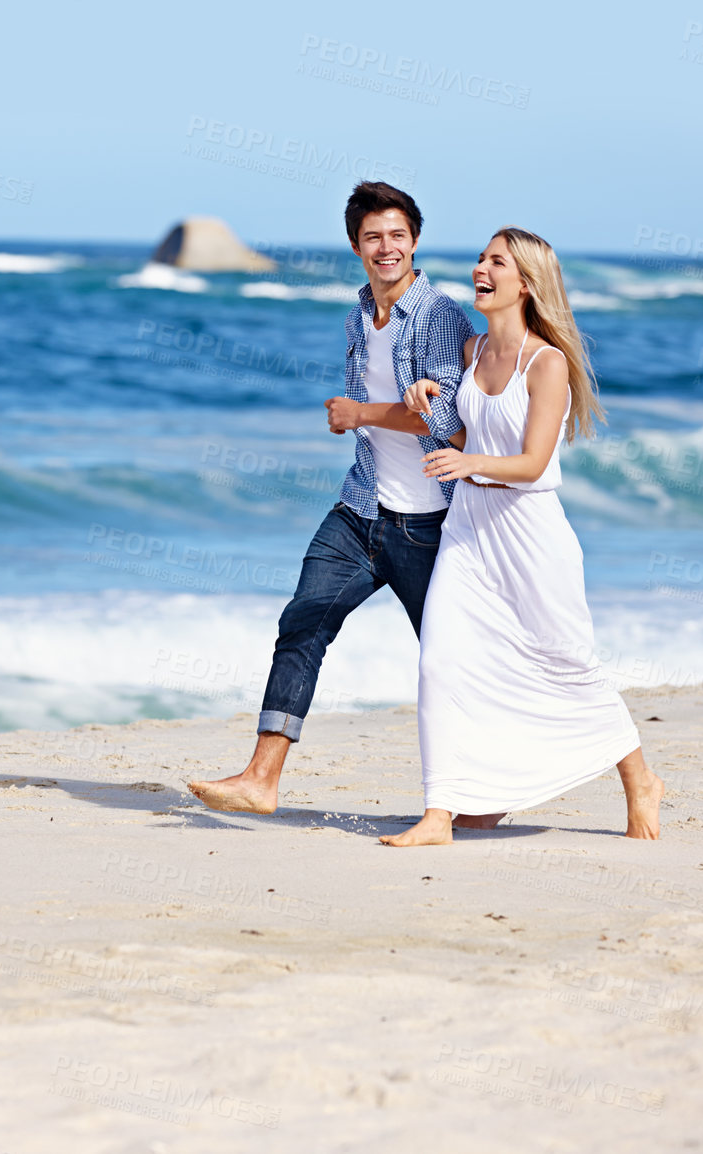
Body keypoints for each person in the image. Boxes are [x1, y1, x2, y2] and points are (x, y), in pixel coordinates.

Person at [188, 182, 474, 815]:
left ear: (416, 241)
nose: (387, 247)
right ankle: (262, 777)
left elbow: (451, 425)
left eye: (398, 235)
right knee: (303, 622)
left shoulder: (439, 317)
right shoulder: (356, 316)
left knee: (452, 661)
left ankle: (485, 792)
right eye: (374, 237)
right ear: (355, 246)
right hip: (361, 507)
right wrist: (363, 420)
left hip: (428, 523)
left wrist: (358, 413)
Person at [378, 227, 665, 846]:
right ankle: (441, 811)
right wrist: (429, 409)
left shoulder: (548, 362)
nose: (481, 268)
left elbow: (533, 462)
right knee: (444, 660)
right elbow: (465, 440)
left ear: (526, 285)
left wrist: (470, 462)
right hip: (470, 531)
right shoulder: (473, 350)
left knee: (568, 662)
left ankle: (640, 780)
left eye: (496, 262)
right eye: (481, 258)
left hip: (530, 536)